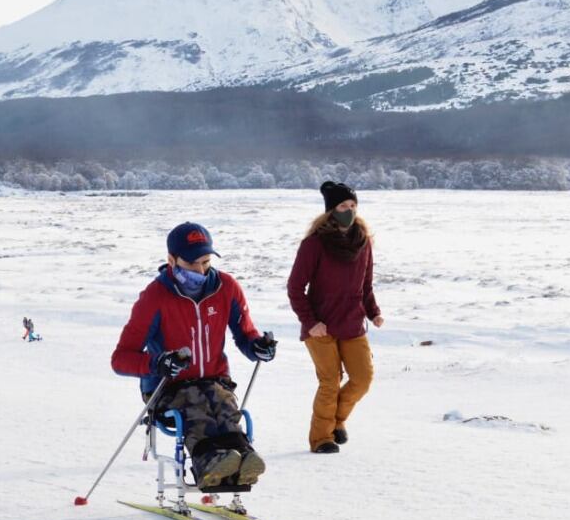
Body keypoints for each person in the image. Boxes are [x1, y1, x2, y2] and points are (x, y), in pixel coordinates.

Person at [111, 223, 277, 487]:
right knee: (195, 406)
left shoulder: (227, 287)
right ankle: (209, 464)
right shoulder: (154, 297)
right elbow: (120, 359)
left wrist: (258, 346)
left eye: (206, 261)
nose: (201, 270)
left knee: (225, 409)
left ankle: (243, 461)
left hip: (215, 381)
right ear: (171, 260)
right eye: (193, 264)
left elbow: (246, 334)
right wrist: (158, 363)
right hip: (167, 386)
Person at [288, 181, 384, 454]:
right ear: (331, 210)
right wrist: (310, 321)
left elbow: (366, 286)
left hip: (353, 323)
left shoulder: (363, 243)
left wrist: (374, 312)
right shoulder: (314, 245)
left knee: (362, 379)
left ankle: (336, 422)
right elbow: (295, 288)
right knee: (330, 382)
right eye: (343, 206)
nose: (349, 211)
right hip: (321, 327)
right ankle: (321, 439)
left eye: (353, 206)